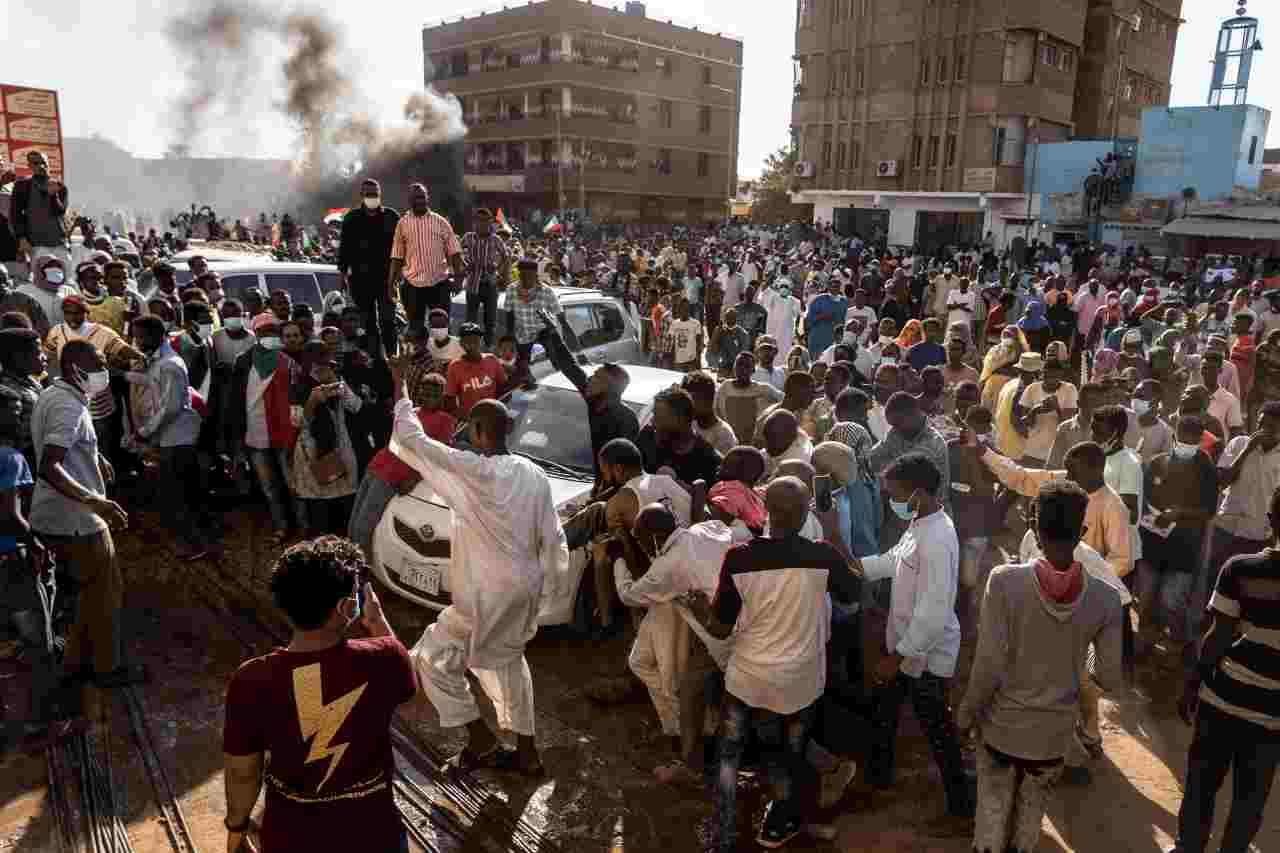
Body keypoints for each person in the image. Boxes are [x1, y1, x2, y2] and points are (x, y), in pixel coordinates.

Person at [395, 359, 568, 776]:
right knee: (510, 662)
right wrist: (547, 591)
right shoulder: (534, 473)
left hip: (485, 592)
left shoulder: (477, 471)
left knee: (433, 659)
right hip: (523, 588)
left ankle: (480, 739)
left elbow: (413, 439)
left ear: (479, 432)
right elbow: (553, 537)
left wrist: (399, 384)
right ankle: (526, 751)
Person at [684, 475, 858, 852]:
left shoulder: (739, 557)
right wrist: (833, 534)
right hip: (800, 679)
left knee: (730, 753)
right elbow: (854, 594)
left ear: (766, 512)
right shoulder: (822, 555)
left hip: (747, 676)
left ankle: (724, 828)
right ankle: (779, 825)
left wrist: (699, 606)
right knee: (789, 753)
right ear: (802, 515)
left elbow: (719, 628)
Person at [221, 536, 417, 853]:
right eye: (354, 595)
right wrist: (377, 621)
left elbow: (242, 773)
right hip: (373, 831)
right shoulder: (385, 658)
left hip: (292, 834)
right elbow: (409, 693)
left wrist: (237, 827)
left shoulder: (251, 680)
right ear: (344, 607)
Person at [958, 480, 1124, 853]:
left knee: (990, 822)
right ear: (1082, 532)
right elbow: (1109, 677)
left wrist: (966, 714)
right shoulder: (1105, 598)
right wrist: (1077, 660)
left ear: (1033, 526)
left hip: (1000, 730)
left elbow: (988, 664)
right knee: (1027, 827)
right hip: (1052, 735)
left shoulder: (1005, 582)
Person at [851, 453, 974, 832]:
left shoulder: (936, 536)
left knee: (938, 730)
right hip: (906, 647)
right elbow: (895, 561)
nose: (892, 501)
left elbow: (935, 609)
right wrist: (857, 565)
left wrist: (899, 656)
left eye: (897, 494)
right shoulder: (922, 524)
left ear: (919, 494)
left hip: (924, 653)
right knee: (884, 712)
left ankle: (962, 809)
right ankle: (879, 779)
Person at [1169, 482, 1280, 853]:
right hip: (1271, 716)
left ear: (1270, 520)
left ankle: (1189, 847)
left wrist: (1191, 686)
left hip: (1223, 699)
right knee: (1250, 798)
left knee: (1202, 783)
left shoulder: (1241, 569)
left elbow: (1218, 637)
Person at [30, 339, 136, 725]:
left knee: (83, 595)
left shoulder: (54, 395)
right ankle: (107, 669)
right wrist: (96, 501)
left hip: (55, 517)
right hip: (77, 520)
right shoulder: (68, 404)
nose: (103, 369)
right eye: (98, 363)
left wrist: (97, 457)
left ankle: (75, 662)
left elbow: (63, 446)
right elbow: (50, 465)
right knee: (106, 591)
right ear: (76, 369)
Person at [1135, 415, 1219, 658]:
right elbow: (1144, 500)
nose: (1186, 445)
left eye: (1192, 442)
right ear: (1175, 437)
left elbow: (1209, 511)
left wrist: (1179, 514)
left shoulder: (1207, 470)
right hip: (1151, 545)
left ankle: (1177, 645)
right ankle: (1146, 644)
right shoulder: (1156, 464)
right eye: (1183, 440)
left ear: (1200, 441)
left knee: (1173, 602)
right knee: (1147, 599)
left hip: (1184, 549)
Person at [348, 373, 455, 560]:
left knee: (363, 527)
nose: (429, 396)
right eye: (426, 391)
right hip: (375, 467)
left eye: (435, 393)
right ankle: (351, 566)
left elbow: (437, 458)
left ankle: (359, 572)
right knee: (353, 522)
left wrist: (414, 479)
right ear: (419, 392)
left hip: (392, 476)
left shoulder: (445, 421)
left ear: (442, 396)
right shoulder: (410, 412)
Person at [128, 316, 210, 560]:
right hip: (171, 438)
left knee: (177, 495)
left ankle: (193, 545)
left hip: (177, 438)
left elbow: (170, 407)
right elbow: (155, 383)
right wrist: (125, 376)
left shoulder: (170, 364)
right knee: (178, 492)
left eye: (140, 336)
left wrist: (142, 433)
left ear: (156, 335)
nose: (137, 341)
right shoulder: (160, 361)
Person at [227, 316, 305, 544]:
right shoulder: (243, 361)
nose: (269, 336)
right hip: (255, 434)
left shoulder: (288, 362)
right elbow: (235, 401)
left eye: (273, 332)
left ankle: (303, 530)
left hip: (285, 434)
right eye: (264, 332)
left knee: (293, 485)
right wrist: (236, 438)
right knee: (269, 487)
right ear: (256, 334)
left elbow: (296, 399)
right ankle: (281, 528)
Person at [538, 312, 639, 483]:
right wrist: (554, 332)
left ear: (610, 388)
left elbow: (626, 468)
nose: (590, 379)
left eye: (597, 377)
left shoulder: (627, 420)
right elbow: (569, 365)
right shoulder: (593, 399)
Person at [291, 344, 362, 536]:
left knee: (345, 503)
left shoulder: (337, 382)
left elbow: (356, 406)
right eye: (316, 365)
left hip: (341, 449)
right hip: (312, 452)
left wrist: (338, 384)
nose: (320, 370)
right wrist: (312, 402)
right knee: (318, 506)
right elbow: (297, 423)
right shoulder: (299, 386)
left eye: (324, 364)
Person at [388, 183, 463, 335]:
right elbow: (397, 256)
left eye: (422, 197)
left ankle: (442, 359)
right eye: (416, 198)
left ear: (427, 198)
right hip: (412, 287)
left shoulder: (440, 222)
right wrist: (390, 284)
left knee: (441, 331)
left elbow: (455, 252)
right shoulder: (402, 224)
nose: (420, 201)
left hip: (439, 285)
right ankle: (421, 359)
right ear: (410, 200)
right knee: (416, 331)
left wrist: (458, 280)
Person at [338, 178, 401, 357]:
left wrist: (399, 273)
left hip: (387, 280)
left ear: (380, 195)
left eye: (374, 194)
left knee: (388, 320)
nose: (371, 197)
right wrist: (342, 275)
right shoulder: (351, 218)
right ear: (362, 195)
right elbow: (344, 249)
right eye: (368, 194)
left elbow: (402, 248)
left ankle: (392, 358)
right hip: (360, 280)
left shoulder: (391, 217)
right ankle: (374, 360)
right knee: (367, 323)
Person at [637, 385, 722, 488]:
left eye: (660, 418)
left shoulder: (708, 460)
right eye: (654, 415)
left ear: (681, 419)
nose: (653, 422)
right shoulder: (647, 437)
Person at [506, 259, 575, 381]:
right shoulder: (512, 289)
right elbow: (509, 313)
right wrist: (510, 336)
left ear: (535, 274)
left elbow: (560, 316)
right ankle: (527, 384)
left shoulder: (546, 291)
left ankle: (562, 378)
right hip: (523, 332)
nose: (526, 278)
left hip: (544, 330)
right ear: (520, 275)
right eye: (523, 275)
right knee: (521, 367)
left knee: (556, 357)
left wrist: (569, 337)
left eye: (529, 275)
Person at [8, 152, 69, 271]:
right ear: (30, 166)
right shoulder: (22, 186)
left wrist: (53, 195)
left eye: (44, 163)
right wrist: (21, 238)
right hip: (36, 244)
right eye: (36, 163)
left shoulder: (60, 186)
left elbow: (60, 212)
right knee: (40, 278)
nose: (41, 166)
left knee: (64, 277)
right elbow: (15, 214)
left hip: (58, 243)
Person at [461, 208, 511, 348]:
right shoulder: (468, 237)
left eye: (485, 220)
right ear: (475, 222)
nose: (482, 223)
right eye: (479, 220)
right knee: (470, 321)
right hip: (472, 283)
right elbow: (458, 254)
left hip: (490, 284)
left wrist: (500, 272)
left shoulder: (496, 239)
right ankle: (470, 348)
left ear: (490, 222)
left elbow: (506, 257)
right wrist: (466, 266)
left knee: (490, 321)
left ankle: (488, 348)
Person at [714, 351, 782, 450]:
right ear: (734, 367)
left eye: (747, 366)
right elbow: (716, 411)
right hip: (729, 444)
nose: (742, 369)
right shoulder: (725, 387)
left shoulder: (762, 389)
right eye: (739, 364)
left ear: (753, 370)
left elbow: (785, 400)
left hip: (753, 446)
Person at [445, 322, 507, 419]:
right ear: (461, 343)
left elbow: (503, 387)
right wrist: (465, 418)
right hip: (469, 421)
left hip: (492, 417)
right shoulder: (454, 366)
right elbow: (449, 399)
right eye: (467, 339)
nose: (471, 342)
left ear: (481, 340)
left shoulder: (492, 359)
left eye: (475, 338)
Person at [682, 371, 736, 455]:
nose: (688, 406)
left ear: (709, 400)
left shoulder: (724, 436)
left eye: (693, 400)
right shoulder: (690, 425)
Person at [18, 255, 75, 331]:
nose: (55, 269)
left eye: (58, 266)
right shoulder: (24, 291)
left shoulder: (68, 290)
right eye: (50, 266)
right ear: (39, 270)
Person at [805, 275, 847, 359]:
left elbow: (844, 320)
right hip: (818, 337)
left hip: (833, 338)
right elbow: (808, 320)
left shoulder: (843, 302)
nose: (835, 288)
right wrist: (821, 316)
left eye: (838, 286)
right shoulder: (819, 300)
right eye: (833, 286)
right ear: (828, 286)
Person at [668, 296, 704, 372]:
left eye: (687, 307)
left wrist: (698, 360)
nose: (685, 310)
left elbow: (699, 342)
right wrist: (672, 360)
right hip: (678, 361)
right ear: (679, 309)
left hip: (691, 361)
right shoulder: (674, 324)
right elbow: (672, 343)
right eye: (682, 307)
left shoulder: (696, 323)